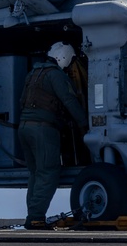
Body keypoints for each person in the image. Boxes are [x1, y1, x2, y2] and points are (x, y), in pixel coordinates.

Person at [18, 42, 89, 230]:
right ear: (64, 57)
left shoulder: (33, 74)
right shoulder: (56, 75)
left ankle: (33, 216)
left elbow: (21, 101)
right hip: (43, 130)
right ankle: (35, 217)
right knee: (48, 173)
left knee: (35, 174)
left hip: (24, 128)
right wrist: (84, 124)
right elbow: (68, 100)